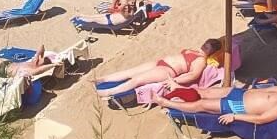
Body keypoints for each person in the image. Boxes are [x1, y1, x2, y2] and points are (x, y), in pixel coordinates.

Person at [154, 73, 277, 125]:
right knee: (206, 91)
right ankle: (177, 87)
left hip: (238, 106)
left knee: (201, 104)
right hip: (240, 93)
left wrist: (235, 116)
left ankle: (165, 102)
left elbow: (261, 119)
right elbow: (265, 91)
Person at [94, 38, 222, 97]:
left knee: (137, 80)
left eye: (207, 47)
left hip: (168, 71)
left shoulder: (201, 60)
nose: (204, 46)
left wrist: (174, 81)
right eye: (205, 44)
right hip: (159, 63)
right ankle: (101, 79)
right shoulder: (194, 51)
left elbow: (193, 75)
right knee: (129, 72)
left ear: (212, 51)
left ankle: (108, 92)